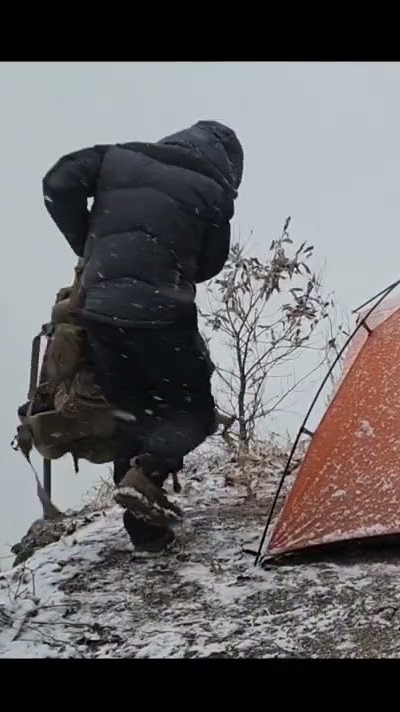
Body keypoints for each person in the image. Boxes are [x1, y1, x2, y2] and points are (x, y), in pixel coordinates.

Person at [35, 119, 244, 551]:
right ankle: (147, 475)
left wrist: (91, 244)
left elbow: (57, 182)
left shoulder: (118, 156)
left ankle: (147, 535)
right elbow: (209, 264)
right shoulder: (212, 190)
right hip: (161, 313)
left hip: (100, 310)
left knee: (131, 413)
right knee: (194, 413)